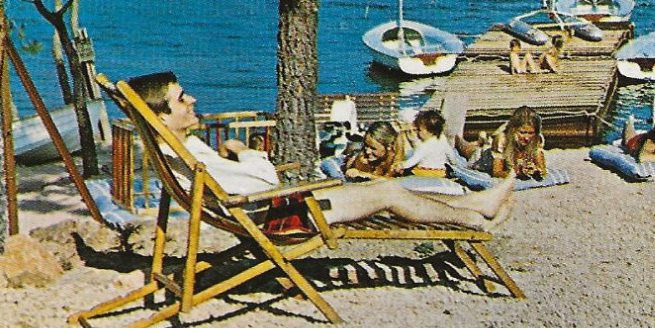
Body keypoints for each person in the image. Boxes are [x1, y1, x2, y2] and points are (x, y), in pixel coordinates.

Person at [129, 72, 514, 231]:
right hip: (280, 214)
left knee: (371, 190)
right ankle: (474, 220)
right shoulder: (189, 158)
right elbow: (262, 179)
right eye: (181, 100)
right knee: (385, 192)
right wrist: (247, 153)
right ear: (161, 117)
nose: (192, 100)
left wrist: (237, 154)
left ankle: (478, 202)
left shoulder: (181, 149)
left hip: (279, 204)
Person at [487, 105, 548, 181]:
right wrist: (518, 172)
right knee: (473, 152)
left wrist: (536, 171)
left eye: (530, 133)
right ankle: (481, 140)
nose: (527, 138)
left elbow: (543, 170)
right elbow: (497, 172)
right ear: (514, 130)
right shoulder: (502, 140)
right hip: (485, 158)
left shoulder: (537, 138)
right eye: (522, 132)